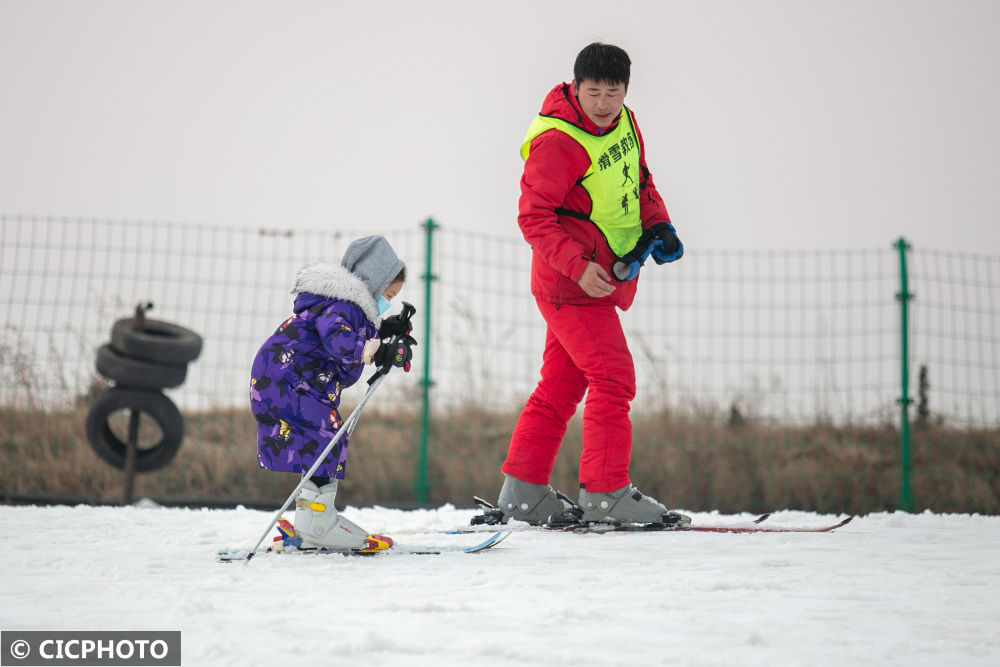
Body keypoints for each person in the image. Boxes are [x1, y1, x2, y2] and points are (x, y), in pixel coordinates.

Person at [495, 42, 685, 525]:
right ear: (575, 87)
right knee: (614, 378)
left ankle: (522, 491)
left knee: (559, 387)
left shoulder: (625, 122)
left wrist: (659, 225)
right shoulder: (558, 141)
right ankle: (606, 493)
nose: (603, 103)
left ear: (625, 90)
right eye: (593, 91)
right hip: (572, 284)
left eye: (613, 92)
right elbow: (533, 217)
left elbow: (637, 180)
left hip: (601, 277)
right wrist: (578, 267)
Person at [250, 235, 415, 550]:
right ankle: (317, 523)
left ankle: (313, 517)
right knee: (326, 435)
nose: (387, 302)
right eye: (387, 294)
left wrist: (386, 331)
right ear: (372, 282)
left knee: (320, 438)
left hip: (289, 378)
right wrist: (374, 350)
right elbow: (338, 337)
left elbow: (353, 330)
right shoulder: (342, 305)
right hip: (287, 378)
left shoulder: (349, 308)